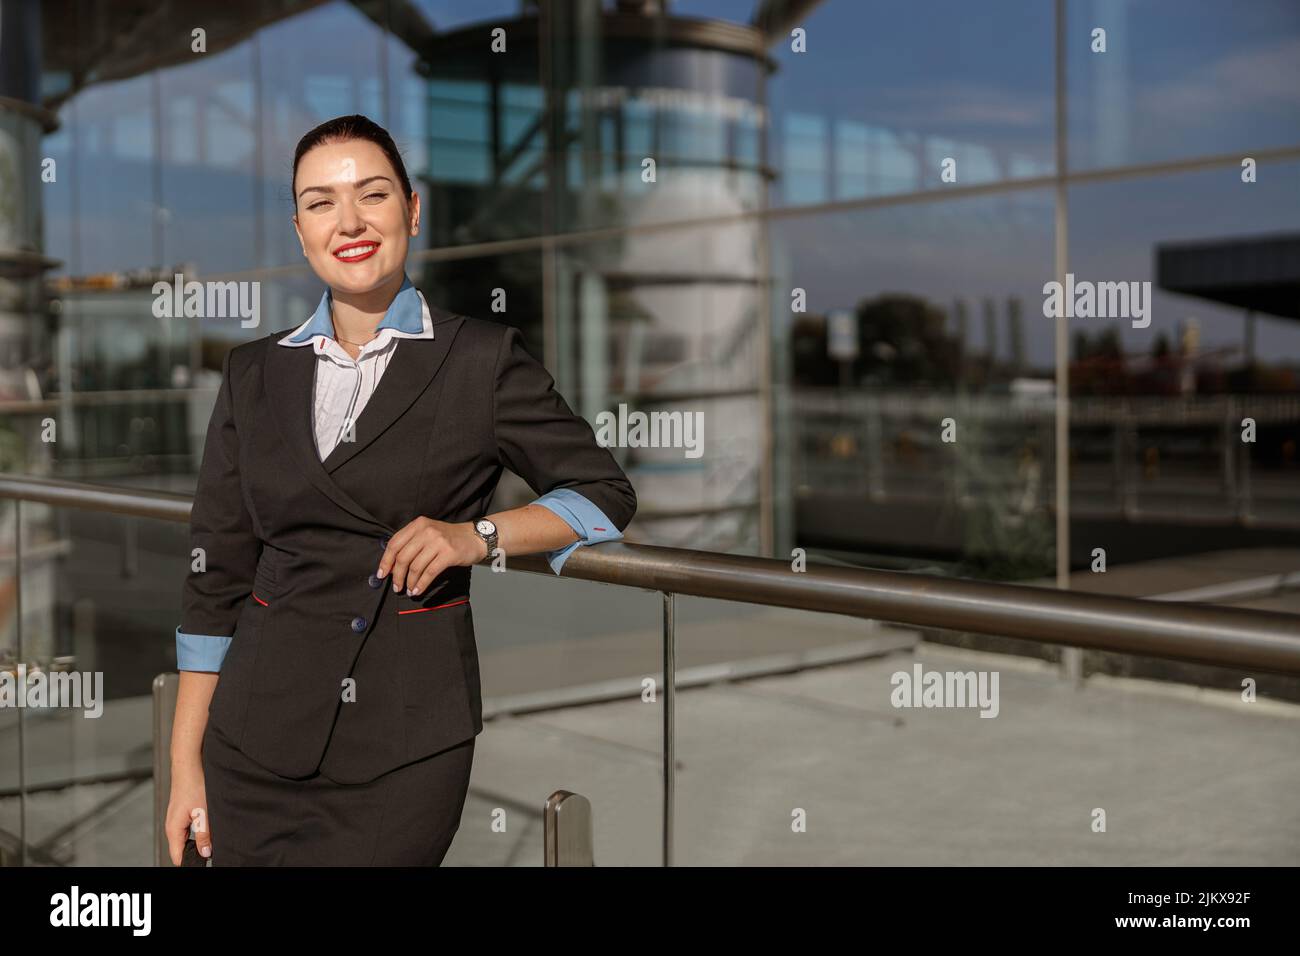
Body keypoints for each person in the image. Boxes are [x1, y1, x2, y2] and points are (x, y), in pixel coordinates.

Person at [164, 114, 637, 866]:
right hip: (252, 736)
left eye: (372, 195)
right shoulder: (253, 371)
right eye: (320, 203)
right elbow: (215, 575)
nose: (348, 221)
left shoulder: (481, 360)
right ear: (299, 229)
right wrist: (184, 764)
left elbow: (603, 493)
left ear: (412, 211)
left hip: (405, 744)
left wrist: (476, 536)